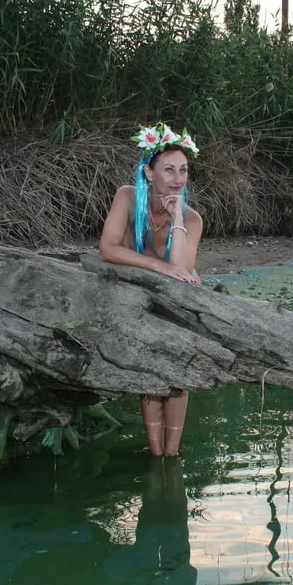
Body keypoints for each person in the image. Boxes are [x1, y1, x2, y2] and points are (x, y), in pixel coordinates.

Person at [98, 123, 203, 456]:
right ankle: (155, 451)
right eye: (168, 169)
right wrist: (160, 267)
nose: (177, 178)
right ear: (149, 172)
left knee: (179, 370)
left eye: (183, 171)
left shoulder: (192, 218)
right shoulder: (127, 197)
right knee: (151, 370)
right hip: (135, 294)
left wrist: (176, 219)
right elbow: (108, 249)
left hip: (177, 298)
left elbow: (183, 269)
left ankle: (171, 453)